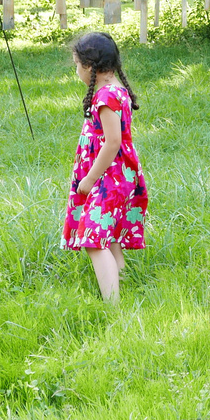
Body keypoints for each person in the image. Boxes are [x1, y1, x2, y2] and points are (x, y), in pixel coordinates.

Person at [62, 31, 147, 302]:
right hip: (116, 177)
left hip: (107, 180)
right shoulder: (115, 91)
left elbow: (112, 143)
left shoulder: (106, 98)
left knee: (93, 240)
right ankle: (123, 287)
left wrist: (88, 179)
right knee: (107, 237)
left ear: (90, 66)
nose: (76, 70)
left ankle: (112, 304)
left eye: (77, 64)